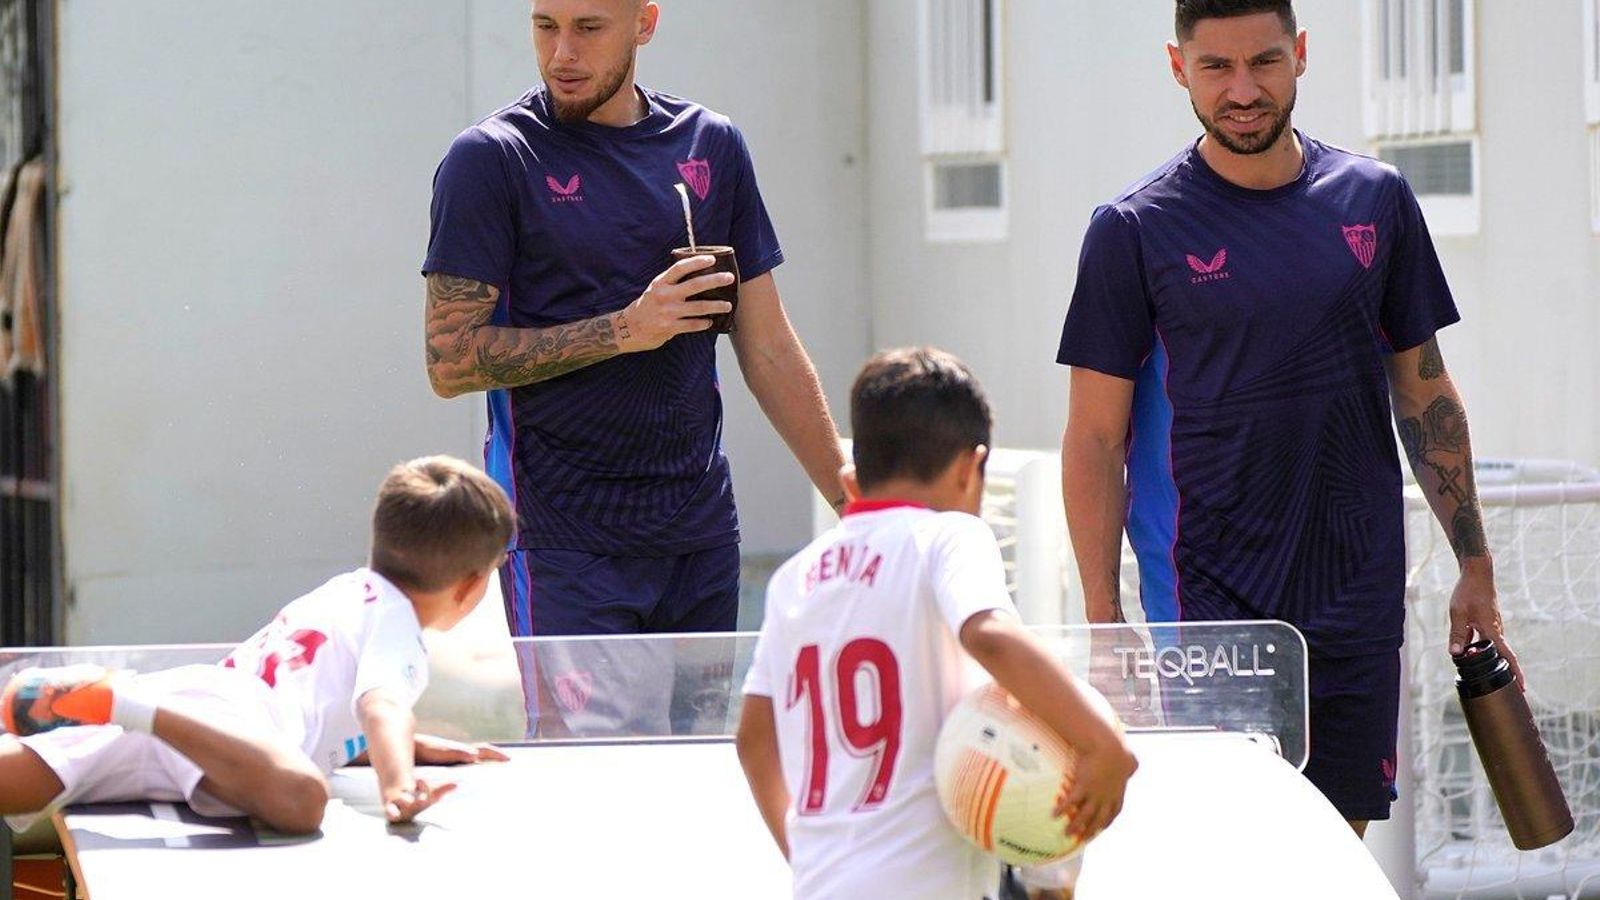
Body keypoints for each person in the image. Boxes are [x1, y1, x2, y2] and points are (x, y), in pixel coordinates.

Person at [1056, 0, 1517, 836]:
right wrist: (1103, 622)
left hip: (1354, 599)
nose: (1242, 90)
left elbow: (1425, 392)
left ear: (1301, 54)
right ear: (1177, 66)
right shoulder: (1134, 231)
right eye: (1215, 68)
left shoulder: (1374, 201)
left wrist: (1474, 568)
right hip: (1210, 613)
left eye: (1263, 63)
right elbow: (1095, 439)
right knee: (1232, 855)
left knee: (1334, 851)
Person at [421, 0, 845, 645]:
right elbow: (450, 362)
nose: (562, 53)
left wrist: (852, 502)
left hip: (698, 536)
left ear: (644, 24)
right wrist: (625, 329)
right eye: (545, 27)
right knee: (589, 753)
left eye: (588, 28)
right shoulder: (491, 158)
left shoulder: (711, 143)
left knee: (690, 749)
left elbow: (768, 347)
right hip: (561, 540)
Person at [738, 348, 1137, 900]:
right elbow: (990, 636)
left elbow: (754, 739)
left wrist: (808, 854)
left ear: (855, 478)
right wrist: (1100, 746)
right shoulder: (949, 537)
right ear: (970, 469)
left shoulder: (793, 579)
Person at [0, 455, 514, 833]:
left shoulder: (348, 590)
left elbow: (327, 714)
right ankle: (121, 701)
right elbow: (381, 705)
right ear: (471, 585)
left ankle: (112, 701)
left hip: (198, 710)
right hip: (231, 721)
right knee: (302, 799)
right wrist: (399, 784)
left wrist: (409, 747)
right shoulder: (400, 626)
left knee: (32, 771)